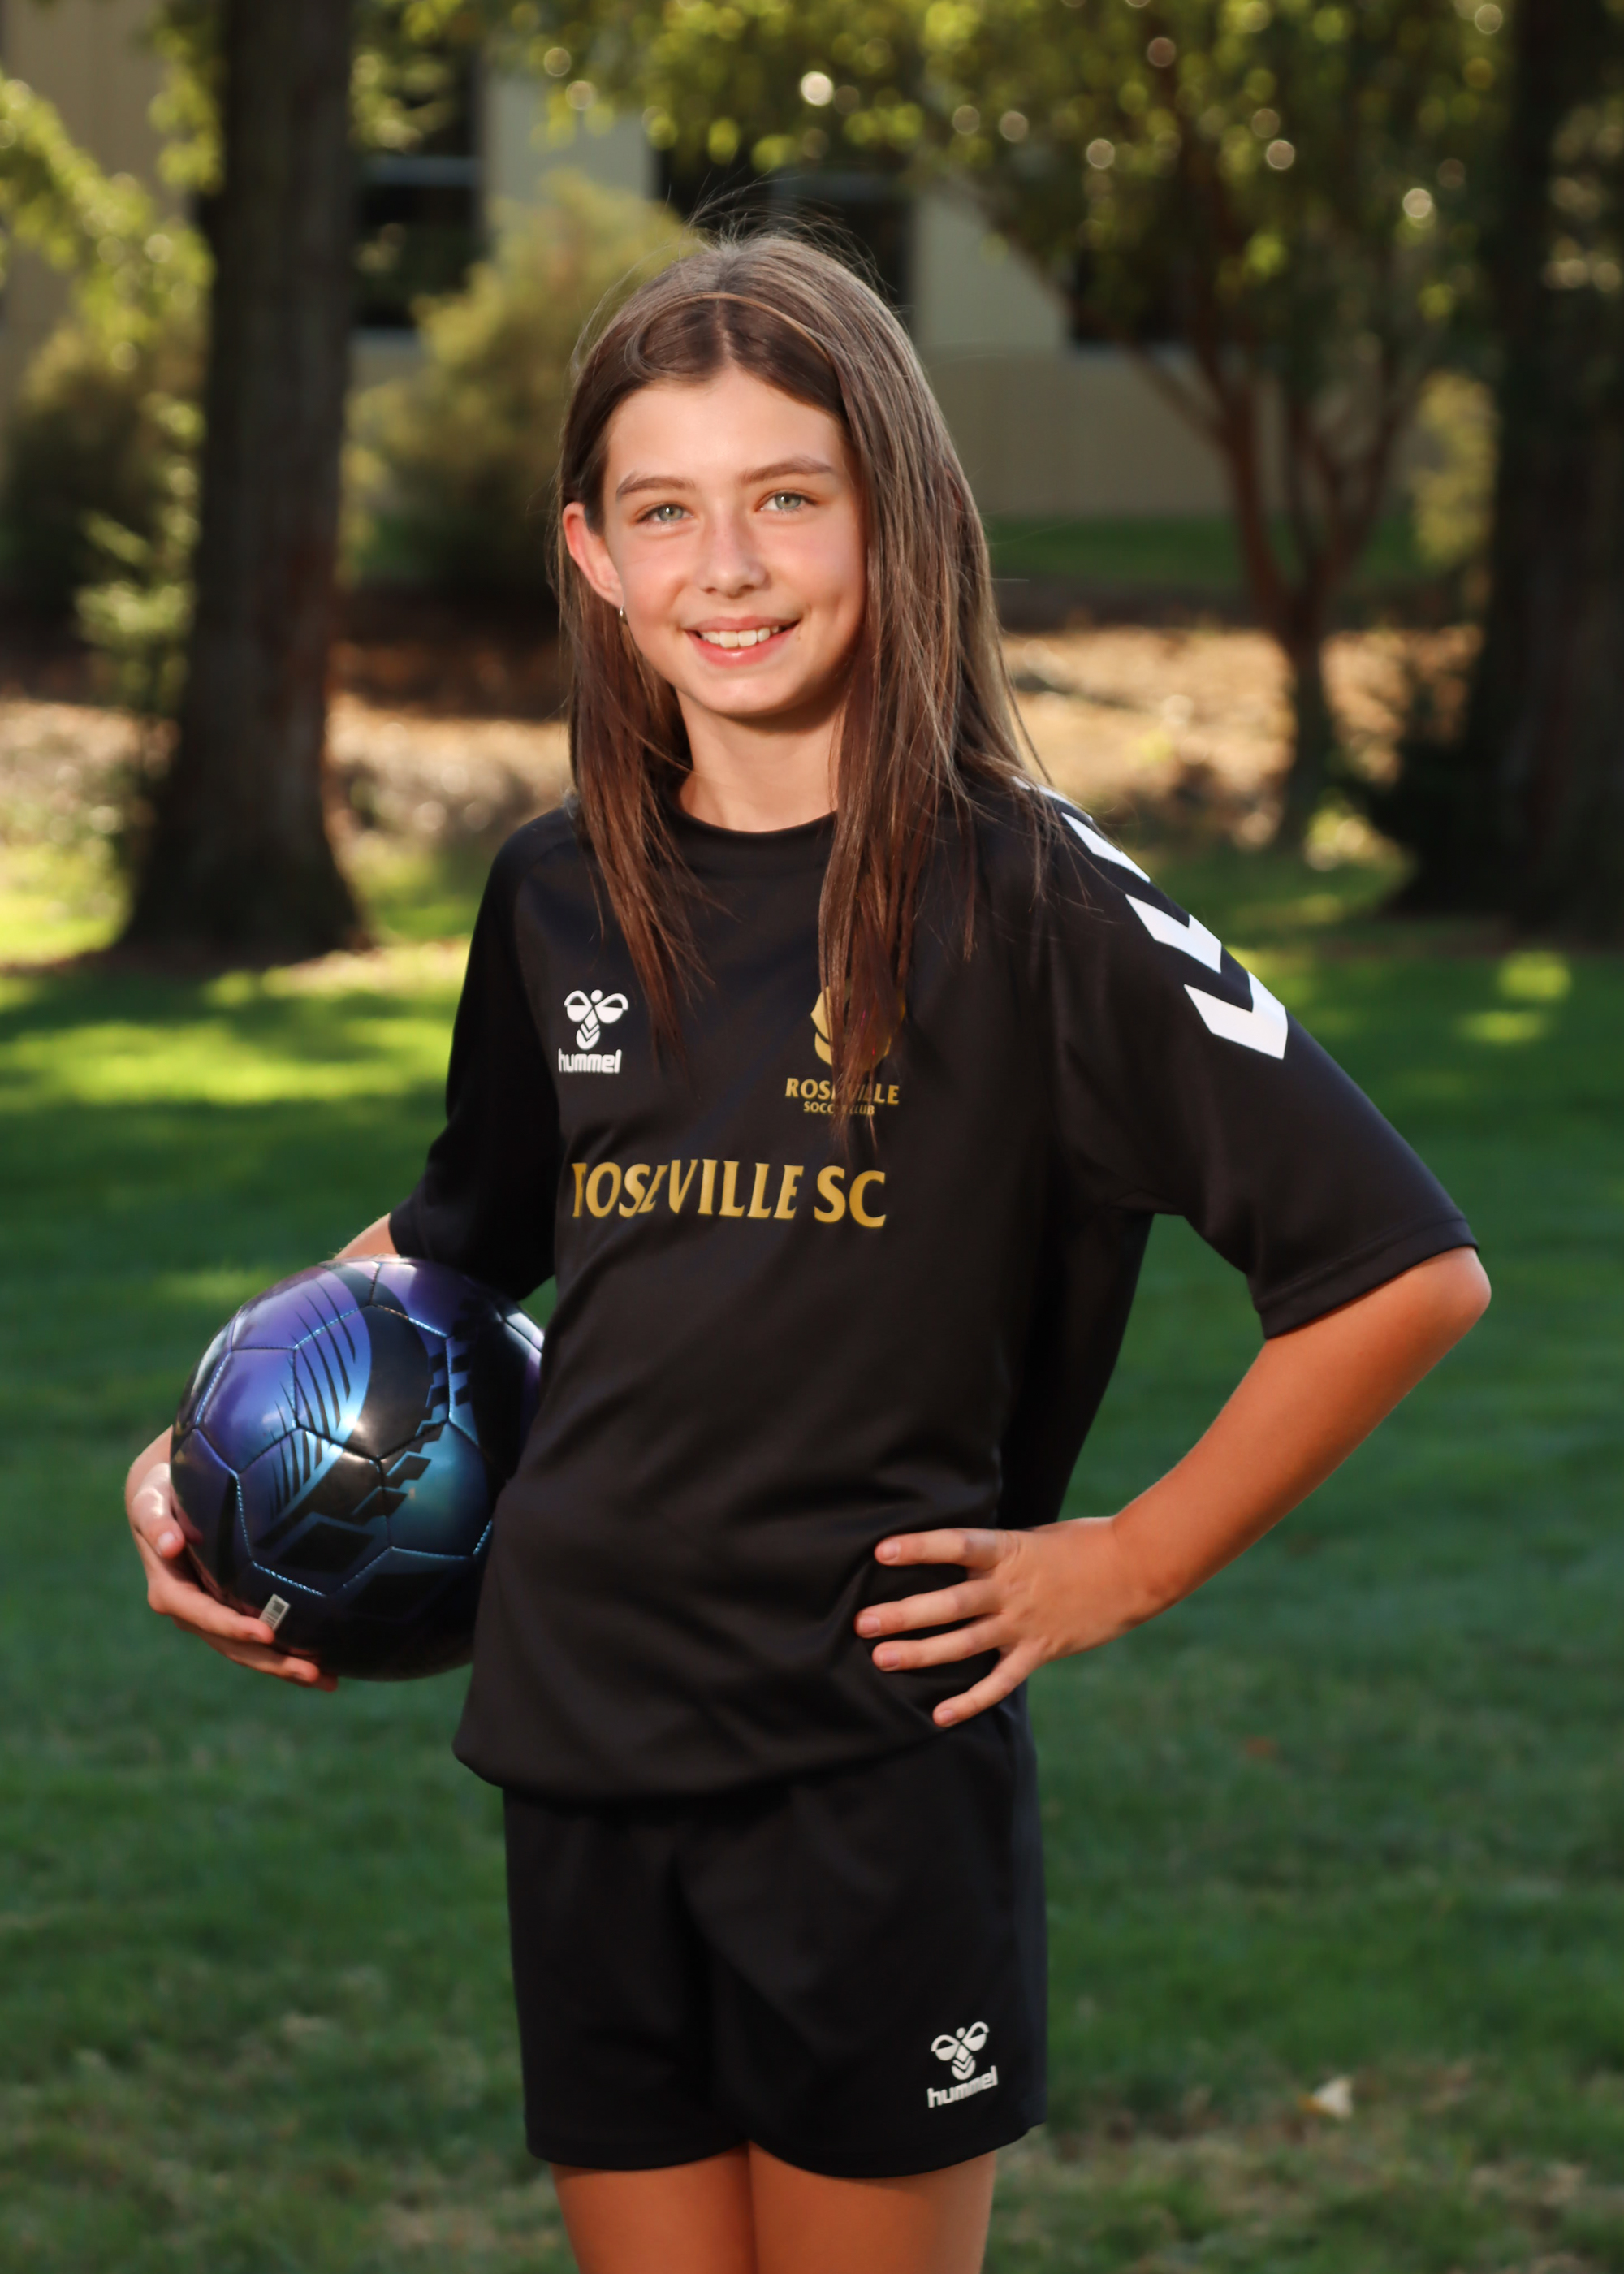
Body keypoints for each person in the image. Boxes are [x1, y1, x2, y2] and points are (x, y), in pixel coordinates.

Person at [125, 235, 1489, 2274]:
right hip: (578, 1745)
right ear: (592, 555)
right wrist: (200, 1448)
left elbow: (1399, 1267)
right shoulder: (557, 889)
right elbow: (455, 1242)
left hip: (865, 1780)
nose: (729, 565)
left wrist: (1128, 1557)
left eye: (787, 495)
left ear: (895, 513)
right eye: (665, 509)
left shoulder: (1036, 904)